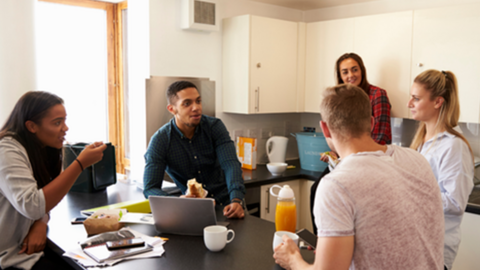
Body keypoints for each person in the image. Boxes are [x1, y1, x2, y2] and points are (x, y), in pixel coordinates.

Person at [274, 84, 444, 270]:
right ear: (371, 123)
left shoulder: (336, 185)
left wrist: (293, 259)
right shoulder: (416, 159)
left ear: (325, 129)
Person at [0, 91, 107, 270]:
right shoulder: (6, 151)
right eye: (57, 123)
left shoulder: (41, 147)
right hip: (8, 254)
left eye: (64, 121)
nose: (65, 128)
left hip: (23, 248)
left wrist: (41, 222)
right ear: (32, 126)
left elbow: (42, 199)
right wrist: (79, 164)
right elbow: (33, 205)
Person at [311, 52, 393, 234]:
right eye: (345, 72)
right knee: (316, 190)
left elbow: (380, 137)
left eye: (354, 70)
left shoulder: (377, 95)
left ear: (362, 71)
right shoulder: (338, 99)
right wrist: (334, 155)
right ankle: (321, 243)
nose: (350, 75)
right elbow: (338, 134)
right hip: (343, 159)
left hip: (370, 161)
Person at [143, 81, 246, 219]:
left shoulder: (214, 127)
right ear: (172, 109)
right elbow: (150, 188)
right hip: (192, 212)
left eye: (198, 101)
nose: (196, 107)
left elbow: (230, 164)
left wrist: (236, 199)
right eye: (187, 103)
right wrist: (178, 202)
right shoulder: (160, 141)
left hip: (229, 205)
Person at [408, 69, 474, 270]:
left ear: (438, 102)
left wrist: (409, 191)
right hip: (416, 245)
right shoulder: (421, 141)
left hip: (435, 250)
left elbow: (455, 202)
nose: (409, 104)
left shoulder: (453, 146)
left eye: (416, 98)